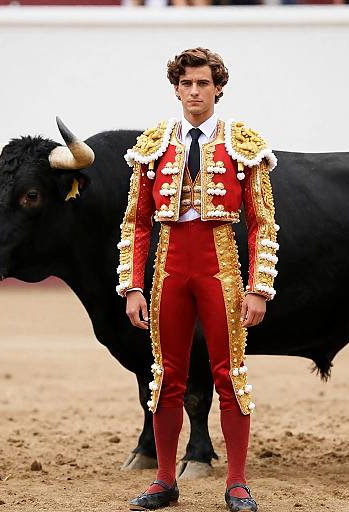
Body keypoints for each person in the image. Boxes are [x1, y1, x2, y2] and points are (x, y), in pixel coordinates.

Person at [116, 47, 279, 512]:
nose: (194, 92)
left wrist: (258, 288)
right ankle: (165, 480)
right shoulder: (153, 145)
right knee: (166, 375)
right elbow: (138, 222)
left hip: (220, 266)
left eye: (203, 84)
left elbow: (261, 222)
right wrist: (131, 286)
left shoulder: (242, 143)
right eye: (186, 84)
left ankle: (237, 483)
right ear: (176, 88)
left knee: (230, 375)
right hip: (169, 269)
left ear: (218, 88)